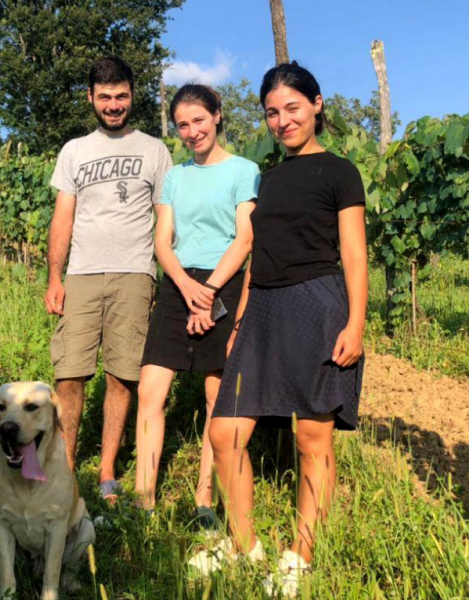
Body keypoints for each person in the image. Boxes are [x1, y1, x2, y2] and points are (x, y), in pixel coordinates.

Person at [189, 62, 368, 598]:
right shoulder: (267, 177)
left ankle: (299, 558)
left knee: (312, 436)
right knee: (225, 433)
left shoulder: (339, 171)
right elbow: (257, 252)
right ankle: (247, 550)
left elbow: (355, 254)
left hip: (317, 303)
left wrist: (356, 323)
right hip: (263, 307)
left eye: (293, 107)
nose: (282, 120)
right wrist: (241, 313)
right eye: (272, 111)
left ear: (317, 104)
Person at [45, 56, 173, 503]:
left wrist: (163, 273)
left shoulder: (155, 151)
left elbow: (164, 218)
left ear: (132, 96)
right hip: (80, 273)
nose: (114, 105)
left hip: (135, 273)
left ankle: (106, 471)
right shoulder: (75, 151)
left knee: (123, 375)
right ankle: (62, 470)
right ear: (91, 98)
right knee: (70, 374)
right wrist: (54, 276)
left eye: (121, 96)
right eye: (105, 97)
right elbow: (63, 217)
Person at [134, 84, 259, 527]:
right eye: (183, 125)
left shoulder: (244, 170)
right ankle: (143, 497)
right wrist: (186, 285)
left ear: (218, 116)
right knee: (151, 390)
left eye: (199, 121)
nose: (191, 132)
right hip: (179, 283)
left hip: (223, 284)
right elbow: (161, 241)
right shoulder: (176, 177)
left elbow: (245, 238)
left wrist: (209, 291)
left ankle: (205, 498)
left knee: (214, 396)